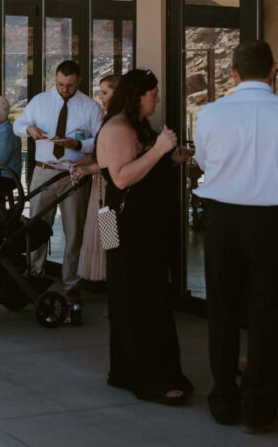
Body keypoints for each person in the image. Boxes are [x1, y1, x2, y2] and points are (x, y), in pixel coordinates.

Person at [194, 40, 278, 433]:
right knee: (272, 315)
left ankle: (223, 403)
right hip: (273, 222)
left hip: (221, 220)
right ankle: (259, 410)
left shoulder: (210, 114)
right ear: (273, 70)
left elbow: (203, 162)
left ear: (233, 72)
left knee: (223, 310)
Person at [95, 68, 194, 406]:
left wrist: (173, 157)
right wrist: (159, 149)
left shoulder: (133, 126)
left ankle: (126, 370)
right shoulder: (118, 128)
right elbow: (121, 178)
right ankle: (146, 377)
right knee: (138, 297)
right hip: (126, 225)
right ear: (138, 96)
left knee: (136, 295)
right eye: (153, 94)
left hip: (128, 222)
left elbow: (146, 171)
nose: (158, 100)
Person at [13, 60, 104, 305]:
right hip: (43, 171)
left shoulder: (91, 108)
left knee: (74, 231)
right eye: (61, 84)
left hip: (73, 173)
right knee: (37, 227)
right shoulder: (40, 101)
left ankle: (71, 283)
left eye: (70, 86)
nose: (65, 89)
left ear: (79, 81)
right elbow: (17, 125)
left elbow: (100, 142)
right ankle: (35, 275)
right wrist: (30, 130)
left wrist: (77, 145)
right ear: (55, 79)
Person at [71, 74, 118, 284]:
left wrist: (88, 169)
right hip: (99, 192)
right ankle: (113, 295)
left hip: (109, 191)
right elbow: (99, 154)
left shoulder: (118, 123)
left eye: (105, 93)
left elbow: (112, 160)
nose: (101, 98)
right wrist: (76, 164)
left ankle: (115, 296)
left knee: (110, 242)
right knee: (104, 240)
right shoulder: (108, 120)